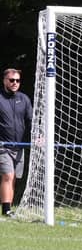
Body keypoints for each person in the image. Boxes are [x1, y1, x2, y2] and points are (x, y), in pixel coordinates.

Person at [0, 68, 33, 218]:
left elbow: (31, 120)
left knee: (13, 178)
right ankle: (6, 210)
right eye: (11, 80)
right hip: (3, 146)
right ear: (4, 81)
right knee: (8, 175)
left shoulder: (24, 99)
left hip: (19, 146)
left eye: (17, 80)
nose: (15, 83)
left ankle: (8, 209)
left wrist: (38, 135)